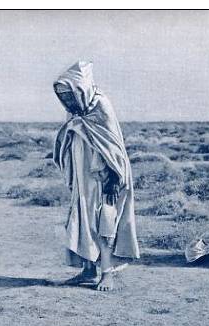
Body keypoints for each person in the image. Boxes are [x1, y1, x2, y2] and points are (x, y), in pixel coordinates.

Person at [52, 61, 139, 291]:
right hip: (83, 180)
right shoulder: (75, 111)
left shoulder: (101, 105)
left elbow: (113, 147)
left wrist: (113, 177)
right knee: (82, 221)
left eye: (70, 95)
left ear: (81, 89)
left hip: (104, 178)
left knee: (105, 222)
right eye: (64, 97)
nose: (67, 101)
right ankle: (88, 270)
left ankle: (107, 273)